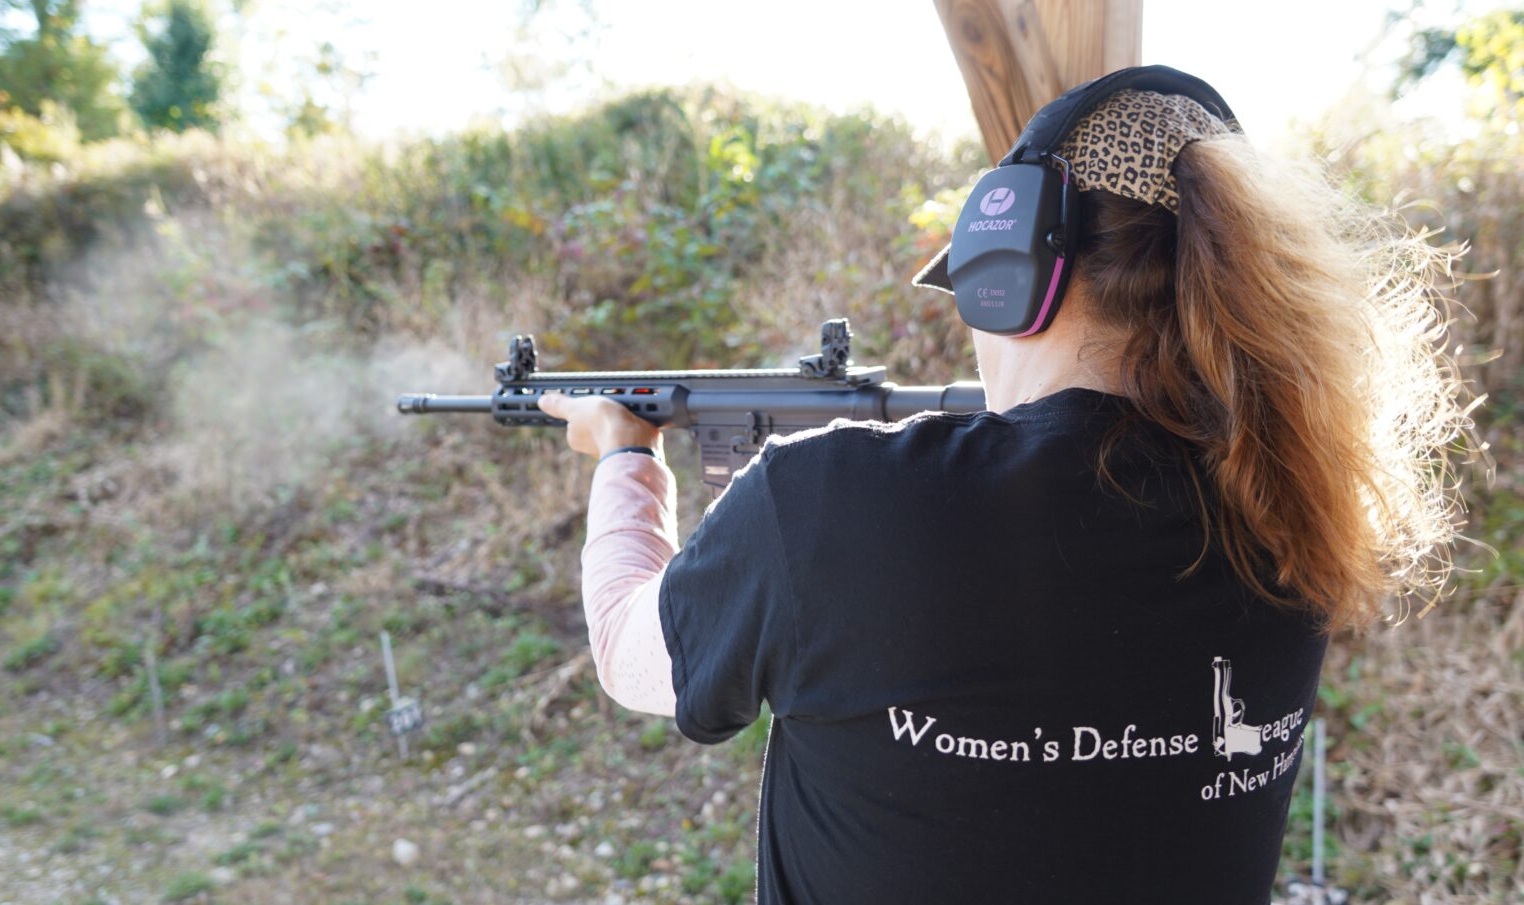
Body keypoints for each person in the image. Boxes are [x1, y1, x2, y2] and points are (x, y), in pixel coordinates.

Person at [535, 71, 1470, 904]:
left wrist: (624, 455)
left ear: (1007, 272)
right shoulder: (1294, 511)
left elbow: (629, 648)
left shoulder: (829, 500)